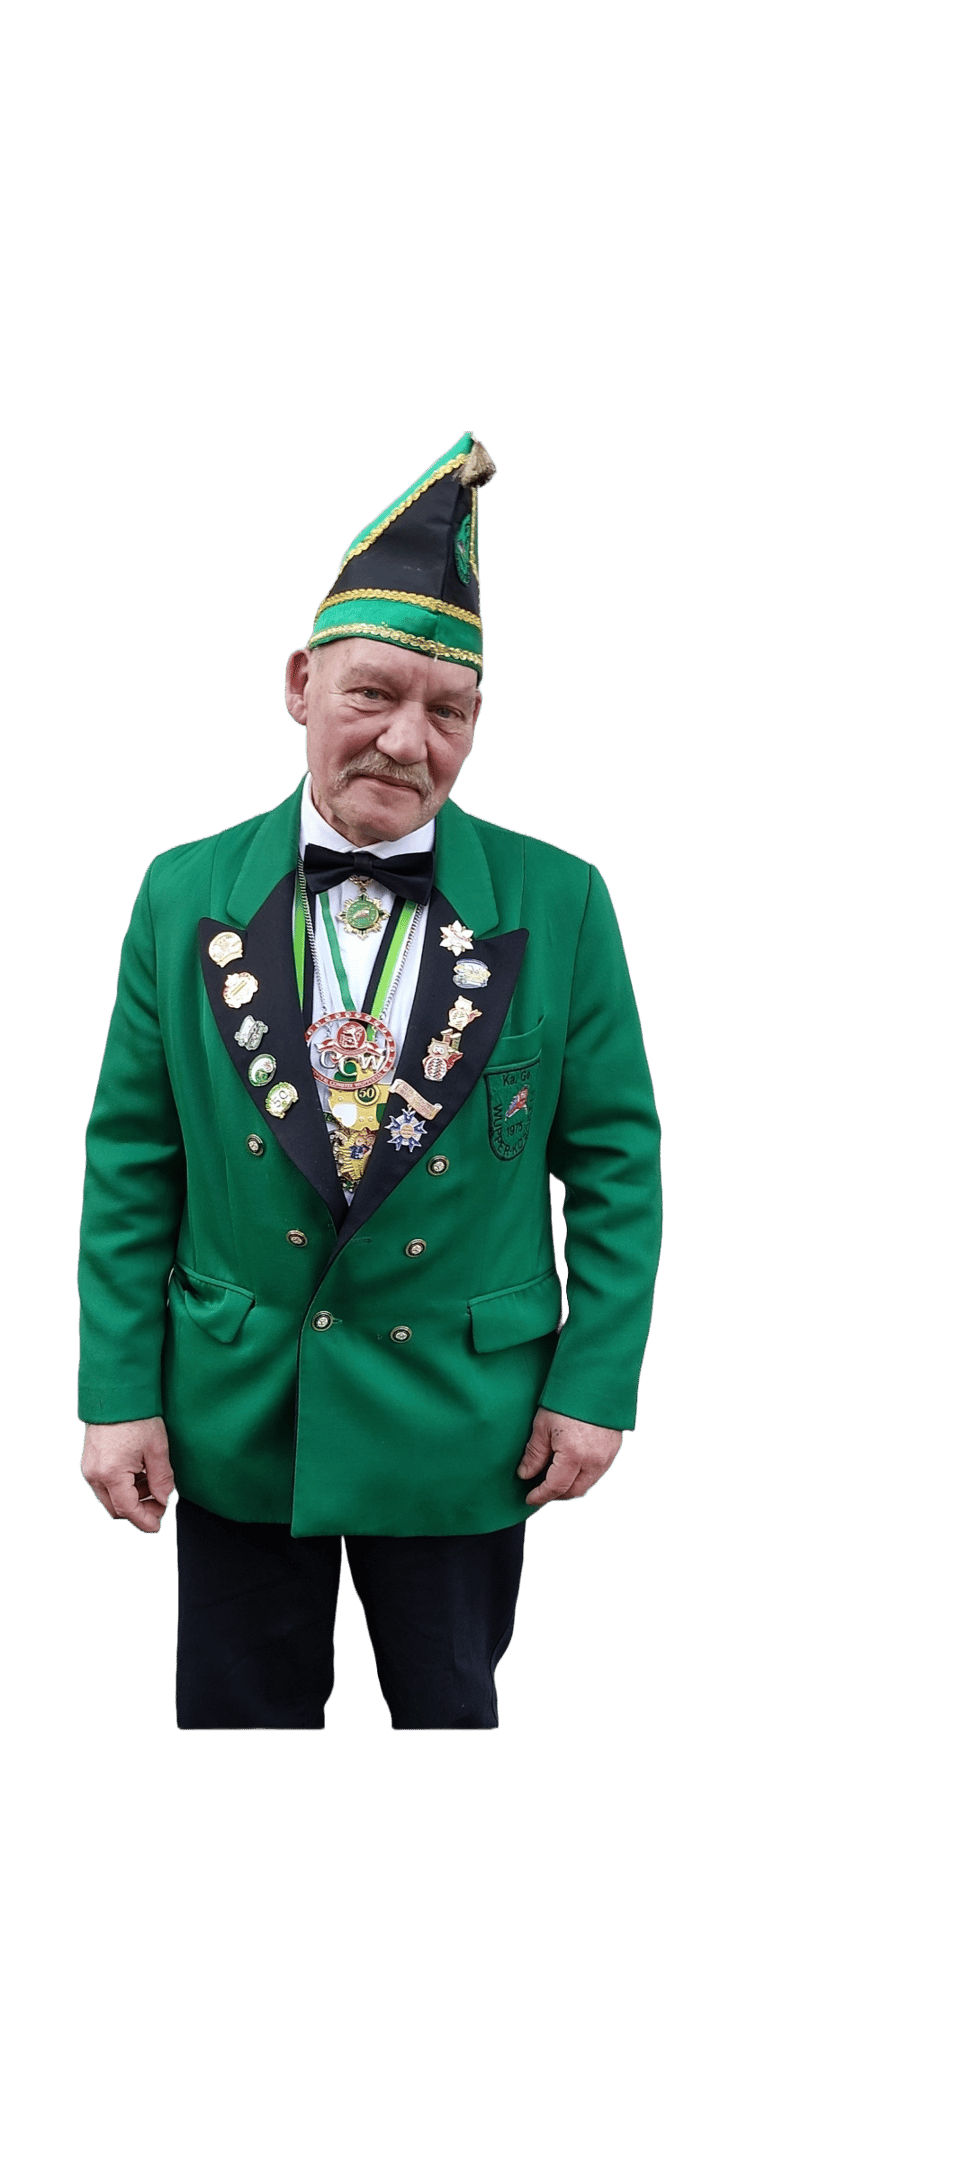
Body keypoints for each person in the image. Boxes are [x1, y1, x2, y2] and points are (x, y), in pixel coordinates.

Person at [77, 432, 662, 1731]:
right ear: (301, 683)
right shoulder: (179, 891)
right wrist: (118, 1398)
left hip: (465, 1417)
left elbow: (616, 1161)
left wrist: (592, 1386)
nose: (407, 739)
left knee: (449, 1723)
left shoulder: (563, 898)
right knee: (237, 1731)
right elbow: (131, 1159)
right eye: (374, 694)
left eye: (448, 711)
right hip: (239, 1409)